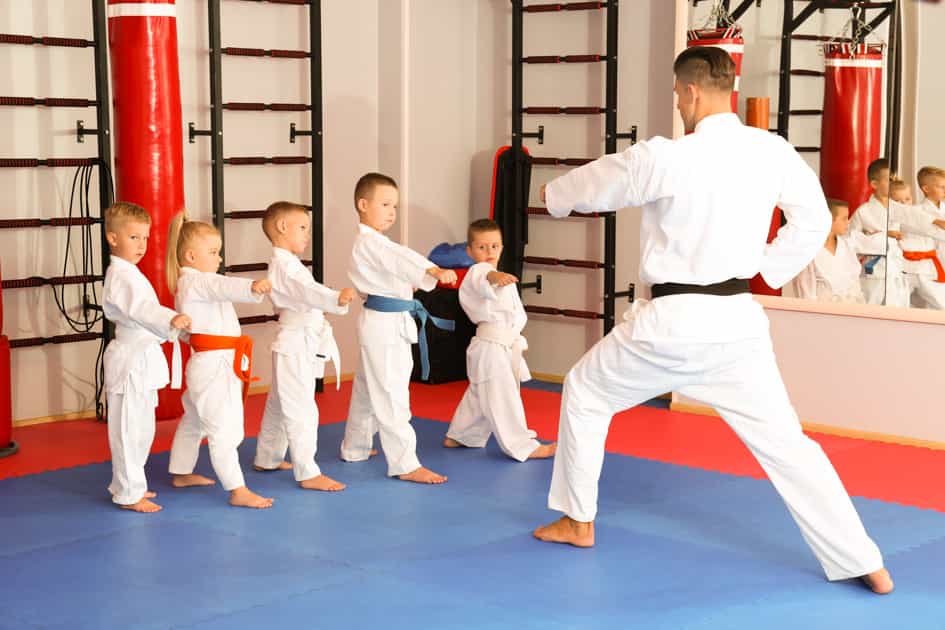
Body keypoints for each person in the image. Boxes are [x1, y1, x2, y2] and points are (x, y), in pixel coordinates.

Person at [531, 46, 893, 595]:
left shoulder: (667, 156)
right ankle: (863, 559)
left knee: (583, 390)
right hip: (738, 327)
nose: (678, 104)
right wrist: (766, 269)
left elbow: (601, 180)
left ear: (692, 91)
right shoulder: (771, 150)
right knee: (789, 446)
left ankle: (578, 520)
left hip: (668, 326)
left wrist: (552, 195)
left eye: (678, 94)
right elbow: (815, 218)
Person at [339, 173, 456, 484]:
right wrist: (431, 269)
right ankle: (405, 463)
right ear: (363, 205)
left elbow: (397, 256)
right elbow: (398, 258)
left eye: (395, 205)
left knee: (366, 390)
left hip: (384, 322)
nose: (392, 211)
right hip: (384, 325)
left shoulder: (375, 243)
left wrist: (426, 269)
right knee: (392, 394)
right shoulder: (370, 243)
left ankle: (355, 446)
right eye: (385, 204)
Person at [165, 212, 275, 508]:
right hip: (213, 365)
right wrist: (250, 287)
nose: (219, 258)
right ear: (191, 256)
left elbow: (193, 328)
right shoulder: (199, 283)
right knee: (223, 428)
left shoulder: (192, 285)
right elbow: (222, 286)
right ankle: (237, 489)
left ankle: (181, 471)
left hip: (209, 361)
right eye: (213, 252)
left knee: (195, 420)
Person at [252, 201, 355, 492]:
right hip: (295, 342)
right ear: (283, 227)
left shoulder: (287, 263)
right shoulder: (286, 266)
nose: (307, 234)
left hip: (298, 339)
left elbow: (303, 292)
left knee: (279, 403)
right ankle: (307, 471)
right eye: (303, 228)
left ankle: (268, 456)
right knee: (302, 408)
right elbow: (306, 291)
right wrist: (336, 297)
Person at [102, 202, 190, 513]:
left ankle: (128, 482)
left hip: (142, 360)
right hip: (130, 363)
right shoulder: (121, 276)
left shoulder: (132, 274)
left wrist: (169, 323)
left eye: (145, 237)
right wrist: (169, 319)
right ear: (113, 238)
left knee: (142, 429)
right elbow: (141, 310)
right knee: (128, 429)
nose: (142, 244)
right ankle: (128, 492)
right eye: (134, 237)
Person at [443, 218, 556, 461]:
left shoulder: (500, 274)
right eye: (482, 247)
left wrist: (499, 277)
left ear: (502, 247)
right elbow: (485, 277)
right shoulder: (479, 271)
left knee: (481, 393)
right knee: (503, 396)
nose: (489, 252)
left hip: (496, 347)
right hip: (491, 347)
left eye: (495, 246)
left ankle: (462, 435)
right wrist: (495, 277)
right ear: (470, 251)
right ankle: (523, 445)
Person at [791, 199, 884, 303]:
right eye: (844, 219)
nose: (848, 222)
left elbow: (878, 244)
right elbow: (805, 293)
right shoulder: (808, 250)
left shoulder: (848, 243)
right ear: (828, 220)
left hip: (852, 306)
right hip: (822, 311)